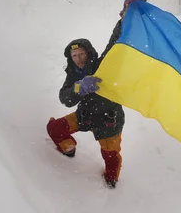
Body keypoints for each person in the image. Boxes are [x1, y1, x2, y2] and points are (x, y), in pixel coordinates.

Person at [47, 38, 125, 188]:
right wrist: (78, 88)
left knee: (111, 157)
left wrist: (122, 22)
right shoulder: (73, 72)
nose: (78, 59)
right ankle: (68, 148)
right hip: (85, 116)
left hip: (108, 122)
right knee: (54, 128)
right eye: (74, 55)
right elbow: (65, 98)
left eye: (81, 54)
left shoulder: (102, 64)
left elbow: (115, 43)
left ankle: (111, 179)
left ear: (88, 53)